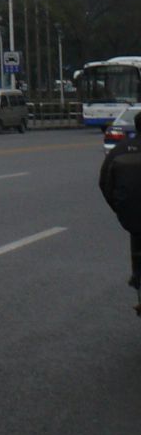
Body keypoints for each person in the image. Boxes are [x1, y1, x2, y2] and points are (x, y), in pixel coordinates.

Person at [98, 134, 141, 313]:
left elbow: (104, 183)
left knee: (137, 243)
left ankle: (137, 279)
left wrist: (120, 208)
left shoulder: (119, 150)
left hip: (132, 214)